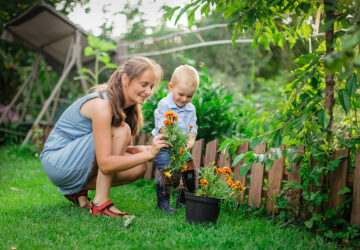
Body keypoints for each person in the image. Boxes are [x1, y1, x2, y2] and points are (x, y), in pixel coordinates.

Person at [40, 56, 169, 218]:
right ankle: (100, 203)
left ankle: (77, 191)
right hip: (58, 160)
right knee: (122, 131)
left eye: (151, 86)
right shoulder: (102, 105)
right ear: (125, 79)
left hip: (72, 158)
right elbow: (106, 163)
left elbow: (107, 149)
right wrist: (148, 154)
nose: (149, 92)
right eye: (144, 85)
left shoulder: (123, 108)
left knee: (140, 167)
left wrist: (136, 150)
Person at [152, 65, 199, 215]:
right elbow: (162, 128)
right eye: (181, 94)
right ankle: (163, 204)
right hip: (165, 145)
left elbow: (192, 129)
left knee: (189, 169)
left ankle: (183, 200)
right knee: (167, 173)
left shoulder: (190, 109)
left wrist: (190, 141)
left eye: (189, 96)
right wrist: (175, 139)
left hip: (180, 147)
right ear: (171, 87)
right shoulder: (164, 105)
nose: (184, 99)